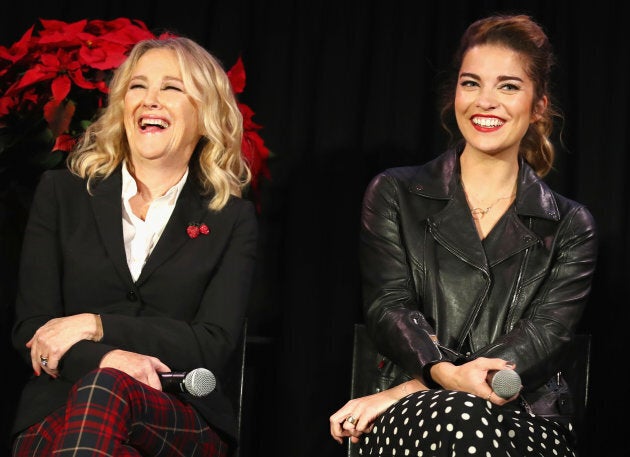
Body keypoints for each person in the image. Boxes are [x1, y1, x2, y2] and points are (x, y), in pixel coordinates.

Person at [330, 14, 597, 457]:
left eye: (508, 86)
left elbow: (546, 335)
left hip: (523, 414)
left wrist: (414, 386)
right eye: (471, 83)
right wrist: (440, 380)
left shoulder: (570, 224)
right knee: (459, 418)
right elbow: (388, 306)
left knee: (464, 416)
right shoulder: (394, 193)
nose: (485, 101)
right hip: (414, 417)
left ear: (538, 106)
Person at [10, 35, 257, 457]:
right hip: (59, 408)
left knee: (105, 392)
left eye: (171, 88)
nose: (150, 100)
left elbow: (212, 342)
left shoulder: (230, 218)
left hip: (178, 415)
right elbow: (32, 329)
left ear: (205, 114)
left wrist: (96, 325)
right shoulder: (61, 194)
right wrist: (109, 361)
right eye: (138, 86)